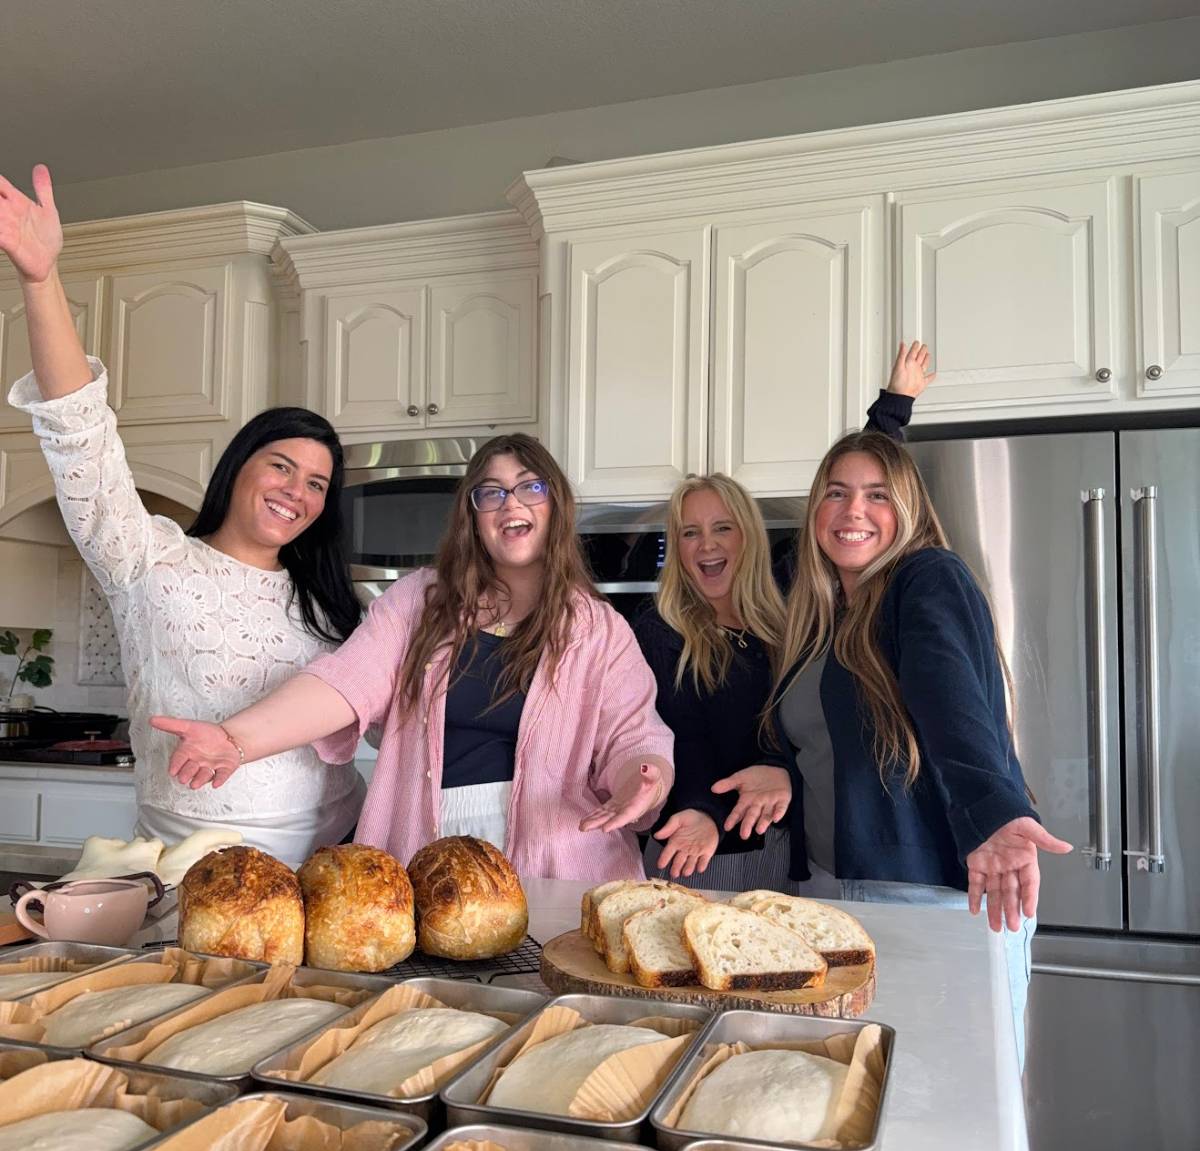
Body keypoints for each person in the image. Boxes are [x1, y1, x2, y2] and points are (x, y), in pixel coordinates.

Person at [0, 165, 365, 863]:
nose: (297, 491)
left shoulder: (328, 599)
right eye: (281, 466)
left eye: (318, 484)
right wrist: (42, 281)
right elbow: (83, 437)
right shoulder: (149, 559)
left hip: (333, 857)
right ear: (239, 468)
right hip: (190, 862)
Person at [150, 433, 675, 881]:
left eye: (530, 488)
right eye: (490, 493)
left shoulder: (598, 629)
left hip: (559, 857)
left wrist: (642, 781)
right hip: (424, 842)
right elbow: (344, 683)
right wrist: (236, 739)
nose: (510, 504)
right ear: (473, 515)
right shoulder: (421, 602)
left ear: (555, 505)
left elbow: (635, 738)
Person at [767, 427, 1072, 1066]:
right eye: (837, 493)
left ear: (908, 509)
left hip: (928, 893)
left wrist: (990, 808)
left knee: (949, 1102)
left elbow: (948, 693)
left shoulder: (926, 577)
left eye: (878, 495)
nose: (854, 511)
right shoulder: (823, 617)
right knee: (853, 1097)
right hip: (829, 893)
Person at [638, 343, 931, 885]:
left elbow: (851, 512)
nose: (707, 545)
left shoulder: (792, 605)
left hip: (794, 851)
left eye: (722, 527)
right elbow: (680, 738)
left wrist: (894, 405)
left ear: (748, 536)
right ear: (676, 546)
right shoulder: (661, 632)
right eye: (690, 532)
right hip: (700, 849)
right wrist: (706, 810)